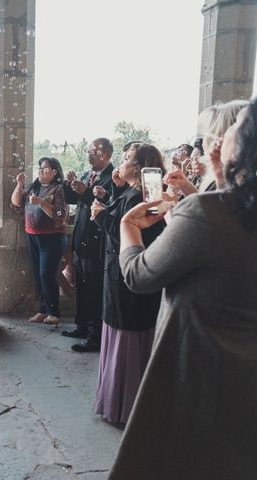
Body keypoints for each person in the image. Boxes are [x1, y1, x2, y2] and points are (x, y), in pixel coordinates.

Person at [108, 99, 257, 480]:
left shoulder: (207, 213)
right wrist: (223, 177)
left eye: (236, 125)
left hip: (200, 370)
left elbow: (139, 274)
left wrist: (128, 228)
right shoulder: (227, 208)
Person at [90, 143, 166, 424]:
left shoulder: (141, 199)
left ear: (137, 167)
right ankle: (115, 401)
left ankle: (125, 406)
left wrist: (100, 217)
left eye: (124, 159)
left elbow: (132, 234)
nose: (120, 163)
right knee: (116, 329)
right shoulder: (133, 193)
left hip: (128, 278)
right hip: (117, 274)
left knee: (127, 336)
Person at [62, 138, 114, 352]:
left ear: (107, 154)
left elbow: (110, 203)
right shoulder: (87, 175)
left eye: (94, 151)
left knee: (94, 291)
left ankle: (95, 336)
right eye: (88, 151)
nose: (89, 155)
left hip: (97, 244)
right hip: (81, 240)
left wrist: (85, 191)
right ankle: (81, 326)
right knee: (82, 288)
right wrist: (69, 184)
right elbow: (74, 200)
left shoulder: (113, 178)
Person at [11, 157, 68, 326]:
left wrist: (42, 203)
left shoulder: (58, 189)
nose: (41, 171)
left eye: (45, 169)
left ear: (55, 172)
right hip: (33, 236)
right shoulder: (34, 187)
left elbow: (60, 216)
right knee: (38, 275)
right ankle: (43, 310)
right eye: (40, 168)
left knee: (47, 274)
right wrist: (20, 184)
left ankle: (54, 313)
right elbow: (16, 202)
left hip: (52, 238)